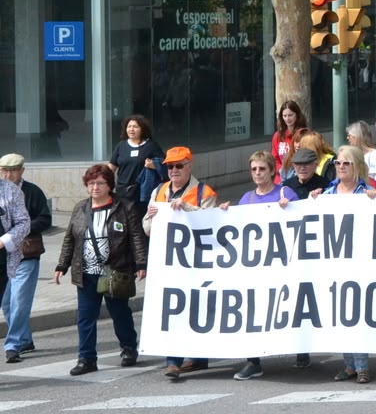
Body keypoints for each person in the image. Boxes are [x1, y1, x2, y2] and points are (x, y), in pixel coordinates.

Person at [54, 165, 143, 376]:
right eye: (91, 183)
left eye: (100, 183)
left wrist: (141, 264)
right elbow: (69, 239)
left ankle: (129, 348)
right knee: (85, 318)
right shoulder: (80, 208)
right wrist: (62, 265)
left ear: (109, 185)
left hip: (115, 271)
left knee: (120, 313)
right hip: (86, 272)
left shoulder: (125, 207)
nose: (95, 187)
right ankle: (86, 359)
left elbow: (136, 237)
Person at [220, 152, 299, 381]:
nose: (257, 173)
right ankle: (253, 361)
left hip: (282, 265)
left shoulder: (285, 193)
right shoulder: (247, 199)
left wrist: (290, 209)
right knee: (252, 311)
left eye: (262, 169)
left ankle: (301, 351)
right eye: (253, 169)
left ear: (272, 171)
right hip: (256, 268)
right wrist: (226, 214)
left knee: (287, 307)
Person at [145, 147, 218, 378]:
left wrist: (187, 209)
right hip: (169, 261)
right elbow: (146, 227)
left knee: (198, 308)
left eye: (178, 165)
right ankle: (173, 361)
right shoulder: (159, 190)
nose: (173, 170)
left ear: (189, 165)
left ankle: (198, 358)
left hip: (197, 261)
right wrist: (153, 217)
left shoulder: (204, 192)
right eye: (169, 166)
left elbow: (212, 224)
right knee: (173, 307)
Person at [312, 145, 376, 383]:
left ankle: (362, 366)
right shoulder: (327, 195)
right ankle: (349, 364)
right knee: (340, 316)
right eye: (338, 163)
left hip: (359, 265)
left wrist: (374, 200)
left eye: (346, 163)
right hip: (334, 265)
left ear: (357, 166)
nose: (340, 167)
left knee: (355, 316)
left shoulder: (366, 194)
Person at [0, 154, 49, 362]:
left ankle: (13, 345)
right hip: (4, 256)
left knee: (20, 299)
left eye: (13, 170)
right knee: (8, 303)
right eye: (4, 170)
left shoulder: (32, 191)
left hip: (26, 253)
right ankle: (24, 338)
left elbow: (45, 219)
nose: (8, 174)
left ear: (22, 170)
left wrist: (22, 230)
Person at [108, 114, 166, 217]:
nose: (131, 129)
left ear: (142, 129)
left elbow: (165, 165)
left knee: (139, 220)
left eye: (135, 127)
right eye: (129, 126)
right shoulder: (121, 145)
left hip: (142, 192)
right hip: (123, 191)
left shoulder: (151, 146)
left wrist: (154, 165)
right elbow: (111, 166)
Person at [270, 101, 306, 182]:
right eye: (284, 116)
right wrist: (280, 170)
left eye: (290, 115)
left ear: (297, 115)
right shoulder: (277, 136)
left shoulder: (304, 135)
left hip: (299, 178)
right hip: (280, 179)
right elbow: (274, 159)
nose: (287, 119)